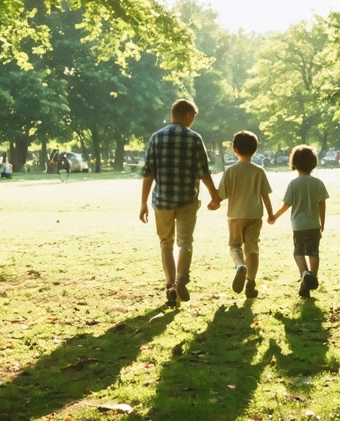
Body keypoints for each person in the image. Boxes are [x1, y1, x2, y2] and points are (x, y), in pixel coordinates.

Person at [140, 98, 220, 307]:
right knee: (185, 242)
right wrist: (214, 195)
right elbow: (203, 172)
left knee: (166, 242)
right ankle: (181, 280)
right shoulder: (194, 139)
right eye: (193, 116)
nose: (193, 121)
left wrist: (143, 203)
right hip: (187, 199)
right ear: (187, 115)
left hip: (162, 200)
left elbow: (148, 174)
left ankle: (169, 285)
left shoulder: (156, 138)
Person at [208, 130, 273, 299]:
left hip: (236, 215)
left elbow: (221, 195)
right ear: (255, 149)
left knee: (235, 246)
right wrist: (271, 214)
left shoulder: (230, 171)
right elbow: (265, 194)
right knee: (252, 249)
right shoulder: (259, 171)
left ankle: (239, 266)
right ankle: (250, 282)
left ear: (234, 149)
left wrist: (213, 204)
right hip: (255, 215)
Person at [268, 145, 329, 298]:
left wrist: (274, 216)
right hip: (314, 224)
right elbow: (322, 203)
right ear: (313, 163)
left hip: (298, 225)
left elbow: (286, 204)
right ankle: (312, 276)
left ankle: (304, 274)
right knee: (314, 252)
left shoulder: (294, 184)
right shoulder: (318, 183)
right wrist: (322, 222)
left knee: (298, 252)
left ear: (293, 163)